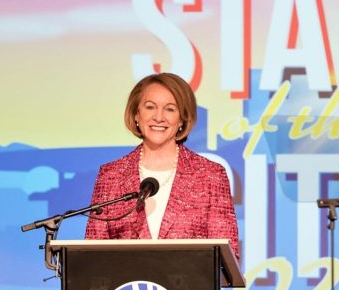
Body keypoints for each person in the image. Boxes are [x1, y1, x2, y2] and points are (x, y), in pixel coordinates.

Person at [85, 72, 240, 261]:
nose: (159, 117)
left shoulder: (211, 175)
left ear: (182, 119)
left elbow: (227, 255)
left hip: (188, 289)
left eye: (170, 109)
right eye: (150, 107)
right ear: (136, 114)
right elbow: (92, 256)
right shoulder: (111, 176)